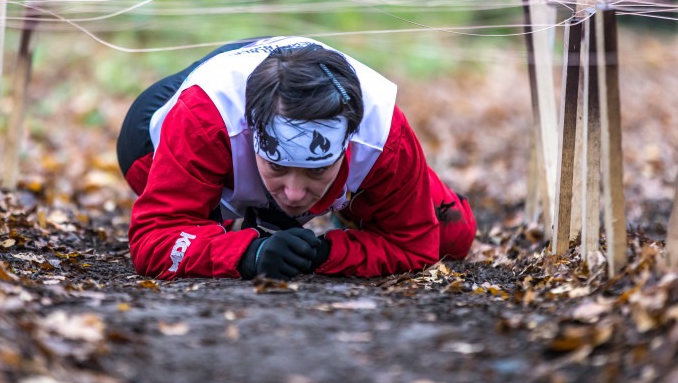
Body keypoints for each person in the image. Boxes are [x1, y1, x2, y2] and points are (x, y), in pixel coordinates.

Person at [117, 36, 476, 280]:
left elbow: (415, 246)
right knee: (186, 221)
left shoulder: (384, 135)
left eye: (316, 170)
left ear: (351, 144)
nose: (293, 193)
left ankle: (344, 208)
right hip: (169, 120)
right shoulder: (202, 120)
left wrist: (324, 253)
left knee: (455, 234)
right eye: (277, 166)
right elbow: (154, 241)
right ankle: (257, 214)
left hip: (305, 76)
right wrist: (250, 254)